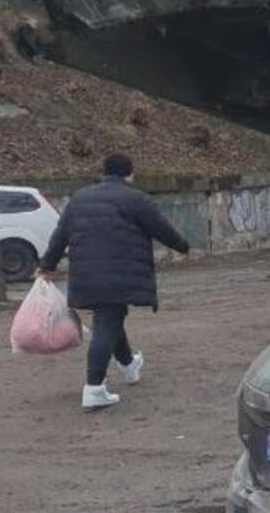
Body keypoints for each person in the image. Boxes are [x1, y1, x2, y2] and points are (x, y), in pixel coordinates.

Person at [39, 154, 192, 411]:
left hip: (86, 275)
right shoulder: (136, 199)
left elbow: (60, 235)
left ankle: (129, 365)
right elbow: (161, 228)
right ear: (130, 174)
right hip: (119, 274)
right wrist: (183, 247)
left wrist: (46, 266)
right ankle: (94, 388)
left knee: (109, 317)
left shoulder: (79, 198)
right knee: (108, 323)